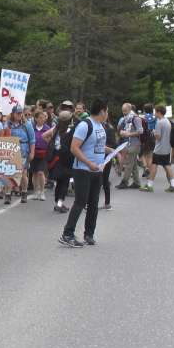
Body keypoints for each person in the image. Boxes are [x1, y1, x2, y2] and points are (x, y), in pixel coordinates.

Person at [58, 99, 109, 247]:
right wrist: (89, 163)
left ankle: (89, 234)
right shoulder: (84, 125)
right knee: (80, 202)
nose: (107, 114)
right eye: (107, 111)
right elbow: (75, 148)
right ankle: (67, 234)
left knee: (93, 203)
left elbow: (97, 145)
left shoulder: (100, 126)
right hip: (83, 170)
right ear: (102, 111)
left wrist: (112, 151)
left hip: (96, 170)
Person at [6, 105, 35, 203]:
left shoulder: (27, 124)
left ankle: (24, 192)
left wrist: (32, 152)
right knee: (9, 173)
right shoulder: (8, 124)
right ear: (13, 114)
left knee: (23, 173)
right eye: (17, 113)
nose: (19, 115)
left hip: (23, 150)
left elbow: (32, 140)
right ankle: (8, 194)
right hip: (10, 151)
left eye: (20, 113)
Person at [145, 105, 174, 192]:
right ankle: (173, 184)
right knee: (167, 165)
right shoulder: (167, 121)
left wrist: (154, 132)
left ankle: (149, 185)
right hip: (167, 147)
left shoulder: (159, 122)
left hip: (159, 148)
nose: (154, 113)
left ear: (159, 112)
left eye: (155, 112)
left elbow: (158, 137)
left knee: (154, 165)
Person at [117, 103, 144, 189]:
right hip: (130, 143)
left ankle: (124, 182)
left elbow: (140, 131)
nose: (123, 112)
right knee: (134, 164)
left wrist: (129, 134)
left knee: (129, 164)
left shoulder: (135, 118)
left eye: (125, 110)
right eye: (122, 111)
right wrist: (123, 133)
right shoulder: (127, 118)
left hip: (134, 144)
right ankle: (137, 182)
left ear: (130, 109)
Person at [30, 108, 53, 200]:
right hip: (34, 152)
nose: (42, 119)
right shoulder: (32, 128)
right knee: (34, 173)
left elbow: (52, 141)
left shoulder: (48, 129)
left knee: (40, 172)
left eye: (43, 117)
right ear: (36, 118)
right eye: (40, 117)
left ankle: (42, 191)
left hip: (44, 153)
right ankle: (36, 191)